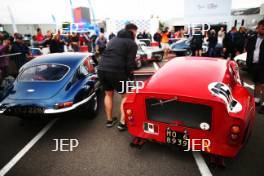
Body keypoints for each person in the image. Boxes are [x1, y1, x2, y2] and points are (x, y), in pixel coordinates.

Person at [97, 23, 138, 131]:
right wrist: (131, 77)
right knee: (126, 96)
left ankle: (109, 120)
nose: (136, 34)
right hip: (116, 71)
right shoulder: (132, 43)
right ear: (132, 32)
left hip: (101, 69)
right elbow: (130, 64)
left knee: (108, 94)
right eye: (136, 32)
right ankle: (122, 123)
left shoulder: (113, 39)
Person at [246, 19, 264, 114]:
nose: (263, 30)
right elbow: (249, 50)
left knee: (263, 85)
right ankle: (256, 100)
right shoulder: (252, 38)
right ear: (258, 28)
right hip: (254, 65)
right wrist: (249, 62)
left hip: (263, 65)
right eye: (262, 28)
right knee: (256, 83)